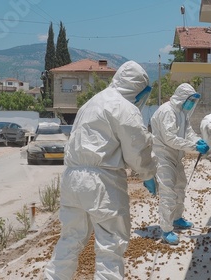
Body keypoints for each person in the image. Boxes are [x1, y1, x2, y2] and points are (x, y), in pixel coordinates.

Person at [44, 61, 157, 280]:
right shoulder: (124, 108)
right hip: (102, 182)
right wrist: (148, 174)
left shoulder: (91, 103)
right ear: (137, 88)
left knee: (70, 239)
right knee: (110, 246)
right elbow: (137, 148)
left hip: (72, 179)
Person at [149, 83, 209, 245]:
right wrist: (194, 147)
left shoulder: (182, 113)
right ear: (182, 98)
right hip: (163, 156)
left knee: (180, 186)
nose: (191, 104)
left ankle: (176, 218)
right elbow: (170, 138)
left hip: (175, 156)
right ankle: (166, 229)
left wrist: (197, 140)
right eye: (190, 100)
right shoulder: (167, 111)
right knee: (168, 191)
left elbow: (188, 132)